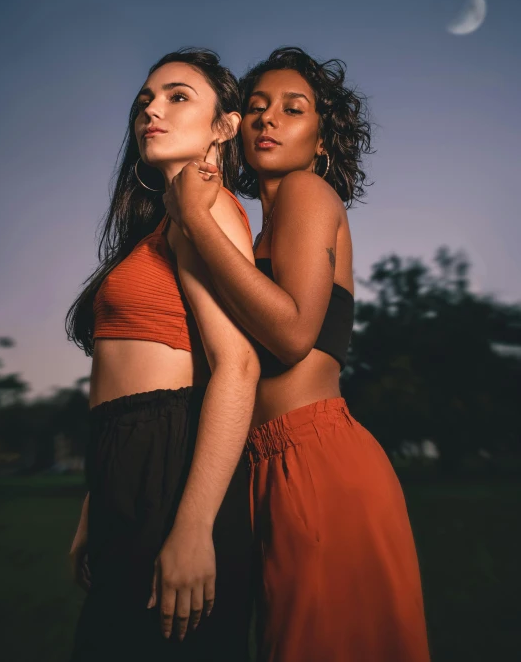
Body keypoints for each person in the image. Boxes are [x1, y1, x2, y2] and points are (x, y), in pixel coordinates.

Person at [164, 46, 431, 662]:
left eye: (292, 108)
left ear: (321, 139)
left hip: (317, 459)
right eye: (256, 108)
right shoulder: (258, 233)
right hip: (269, 465)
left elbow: (291, 334)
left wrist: (197, 222)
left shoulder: (310, 193)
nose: (267, 119)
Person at [66, 48, 259, 662]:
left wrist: (195, 527)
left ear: (224, 126)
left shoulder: (207, 211)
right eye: (146, 100)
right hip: (125, 461)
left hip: (173, 465)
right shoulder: (168, 221)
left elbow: (237, 365)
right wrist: (95, 503)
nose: (152, 109)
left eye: (178, 97)